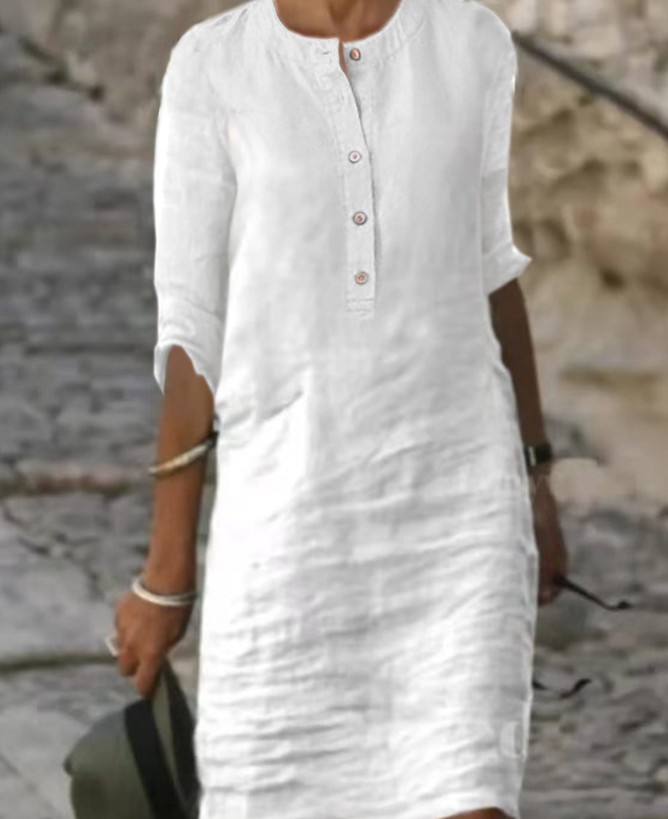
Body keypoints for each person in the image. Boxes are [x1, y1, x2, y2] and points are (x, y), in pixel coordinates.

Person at [114, 0, 569, 817]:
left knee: (468, 790)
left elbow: (491, 268)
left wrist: (535, 472)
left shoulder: (471, 42)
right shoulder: (214, 64)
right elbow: (192, 329)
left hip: (458, 514)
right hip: (284, 526)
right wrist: (166, 571)